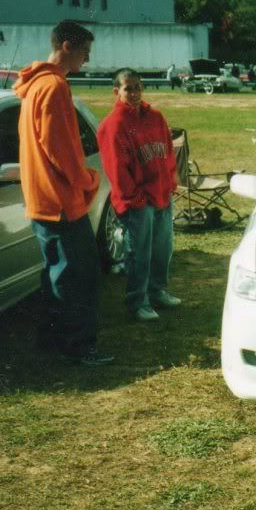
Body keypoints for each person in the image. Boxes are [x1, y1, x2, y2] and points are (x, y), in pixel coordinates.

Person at [13, 20, 112, 366]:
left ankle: (52, 340)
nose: (87, 59)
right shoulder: (54, 87)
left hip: (43, 201)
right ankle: (79, 347)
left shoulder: (35, 85)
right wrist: (87, 179)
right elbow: (62, 151)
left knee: (57, 273)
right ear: (67, 46)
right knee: (80, 277)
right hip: (60, 203)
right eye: (85, 51)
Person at [97, 69, 181, 322]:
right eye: (127, 88)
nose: (133, 93)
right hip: (137, 201)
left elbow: (167, 151)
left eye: (137, 87)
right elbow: (116, 170)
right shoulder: (113, 125)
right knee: (139, 253)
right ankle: (138, 300)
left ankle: (157, 291)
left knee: (163, 249)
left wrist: (169, 184)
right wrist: (135, 199)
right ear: (117, 91)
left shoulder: (155, 116)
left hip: (161, 195)